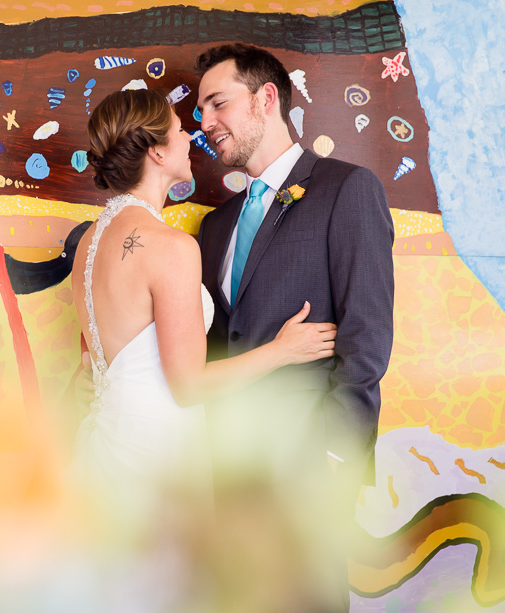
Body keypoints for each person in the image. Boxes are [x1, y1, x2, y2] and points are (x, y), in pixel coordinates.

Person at [194, 43, 395, 611]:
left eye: (217, 104)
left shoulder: (347, 190)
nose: (206, 124)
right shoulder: (214, 226)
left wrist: (334, 460)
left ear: (265, 99)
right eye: (201, 112)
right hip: (226, 475)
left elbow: (368, 337)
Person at [68, 88, 338, 507]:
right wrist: (282, 351)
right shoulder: (171, 247)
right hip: (154, 454)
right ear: (156, 154)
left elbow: (89, 363)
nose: (190, 137)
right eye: (178, 131)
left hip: (106, 443)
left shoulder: (89, 242)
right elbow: (189, 386)